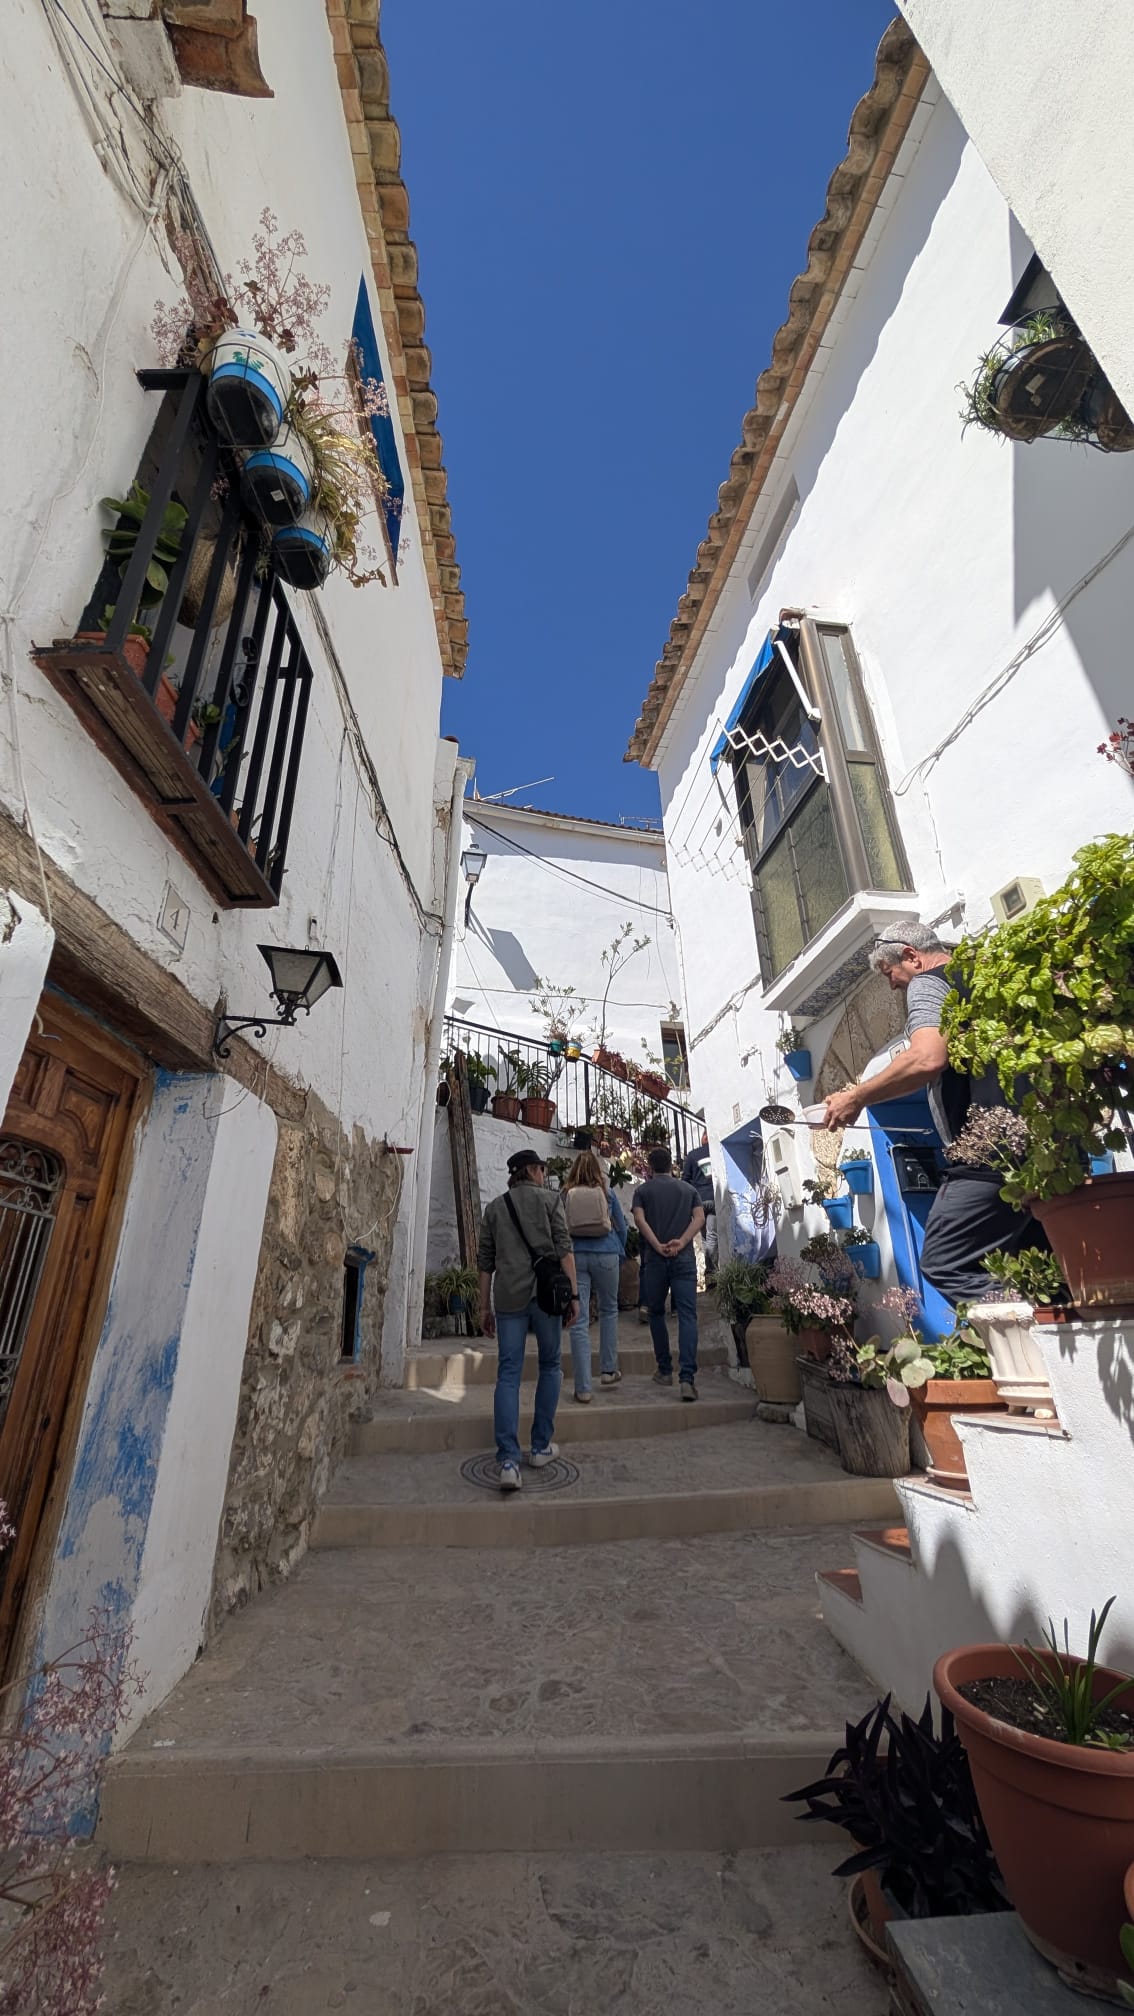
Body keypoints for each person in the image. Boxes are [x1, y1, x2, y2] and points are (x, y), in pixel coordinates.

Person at [822, 920, 1048, 1305]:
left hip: (989, 1152)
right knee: (1043, 1268)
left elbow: (927, 1057)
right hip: (1043, 1147)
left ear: (911, 956)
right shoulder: (985, 973)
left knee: (945, 1261)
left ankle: (1020, 1339)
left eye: (889, 973)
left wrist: (857, 1096)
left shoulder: (929, 982)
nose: (892, 985)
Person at [477, 1149, 580, 1492]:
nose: (543, 1174)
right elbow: (565, 1250)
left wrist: (483, 1308)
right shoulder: (551, 1202)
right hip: (546, 1297)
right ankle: (539, 1447)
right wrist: (575, 1296)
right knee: (550, 1365)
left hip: (508, 1297)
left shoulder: (494, 1208)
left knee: (508, 1372)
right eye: (541, 1169)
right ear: (533, 1171)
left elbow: (485, 1263)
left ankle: (508, 1460)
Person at [632, 1146, 704, 1399]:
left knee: (656, 1313)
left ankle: (664, 1370)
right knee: (687, 1316)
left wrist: (656, 1245)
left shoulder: (642, 1191)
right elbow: (699, 1218)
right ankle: (687, 1378)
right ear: (671, 1165)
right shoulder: (689, 1190)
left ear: (650, 1167)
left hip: (655, 1260)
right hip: (683, 1258)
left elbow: (640, 1220)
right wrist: (682, 1242)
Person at [561, 1149, 628, 1402]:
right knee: (610, 1310)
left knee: (579, 1320)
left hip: (576, 1258)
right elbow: (621, 1227)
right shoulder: (607, 1193)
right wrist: (617, 1250)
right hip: (607, 1255)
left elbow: (559, 1228)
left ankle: (583, 1388)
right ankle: (609, 1370)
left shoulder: (566, 1194)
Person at [680, 1130, 718, 1284]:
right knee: (713, 1236)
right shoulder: (716, 1151)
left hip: (699, 1201)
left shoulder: (692, 1155)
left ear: (703, 1138)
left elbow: (685, 1180)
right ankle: (712, 1274)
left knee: (704, 1237)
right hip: (714, 1198)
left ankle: (710, 1275)